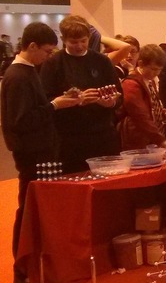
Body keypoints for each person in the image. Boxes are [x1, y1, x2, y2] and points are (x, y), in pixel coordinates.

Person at [1, 22, 80, 283]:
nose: (48, 57)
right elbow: (22, 120)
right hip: (32, 154)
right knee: (29, 211)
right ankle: (22, 268)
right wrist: (55, 105)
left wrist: (55, 102)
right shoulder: (18, 76)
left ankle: (34, 266)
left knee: (37, 210)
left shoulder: (27, 72)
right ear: (32, 46)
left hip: (41, 151)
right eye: (47, 51)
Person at [40, 15, 122, 173]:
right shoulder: (53, 64)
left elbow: (119, 96)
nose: (79, 46)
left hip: (103, 135)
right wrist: (74, 100)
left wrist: (110, 102)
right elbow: (46, 101)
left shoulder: (102, 61)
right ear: (63, 39)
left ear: (89, 38)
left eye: (83, 41)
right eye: (73, 42)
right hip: (70, 138)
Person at [118, 44, 166, 150]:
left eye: (159, 70)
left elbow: (152, 105)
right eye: (153, 69)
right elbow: (139, 115)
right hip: (137, 141)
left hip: (150, 138)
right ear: (141, 64)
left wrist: (164, 113)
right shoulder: (131, 84)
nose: (156, 73)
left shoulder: (150, 81)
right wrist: (160, 140)